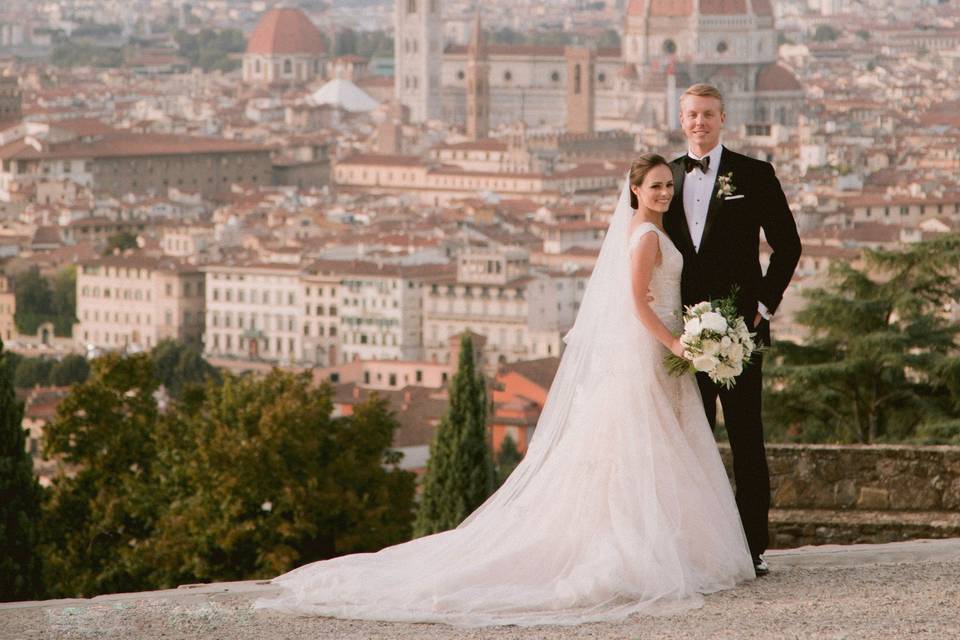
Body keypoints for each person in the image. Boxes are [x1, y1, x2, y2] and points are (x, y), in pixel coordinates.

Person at [254, 154, 755, 627]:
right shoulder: (645, 235)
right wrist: (677, 341)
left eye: (669, 185)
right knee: (647, 446)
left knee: (654, 448)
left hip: (658, 352)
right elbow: (635, 304)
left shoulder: (646, 230)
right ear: (635, 189)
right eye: (656, 186)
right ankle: (652, 548)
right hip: (654, 348)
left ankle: (661, 544)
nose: (665, 193)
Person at [663, 83, 802, 577]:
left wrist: (763, 306)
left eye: (708, 115)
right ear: (682, 120)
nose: (699, 123)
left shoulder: (754, 173)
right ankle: (696, 547)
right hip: (682, 337)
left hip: (742, 330)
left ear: (724, 118)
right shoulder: (667, 177)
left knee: (747, 439)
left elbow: (788, 244)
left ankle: (752, 548)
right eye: (691, 115)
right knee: (689, 442)